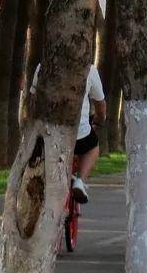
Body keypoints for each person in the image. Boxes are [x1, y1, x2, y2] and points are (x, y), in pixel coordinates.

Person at [30, 62, 105, 203]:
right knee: (93, 148)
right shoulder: (89, 69)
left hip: (48, 132)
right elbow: (100, 104)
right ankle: (80, 181)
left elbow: (33, 98)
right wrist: (100, 120)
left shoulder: (43, 65)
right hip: (79, 134)